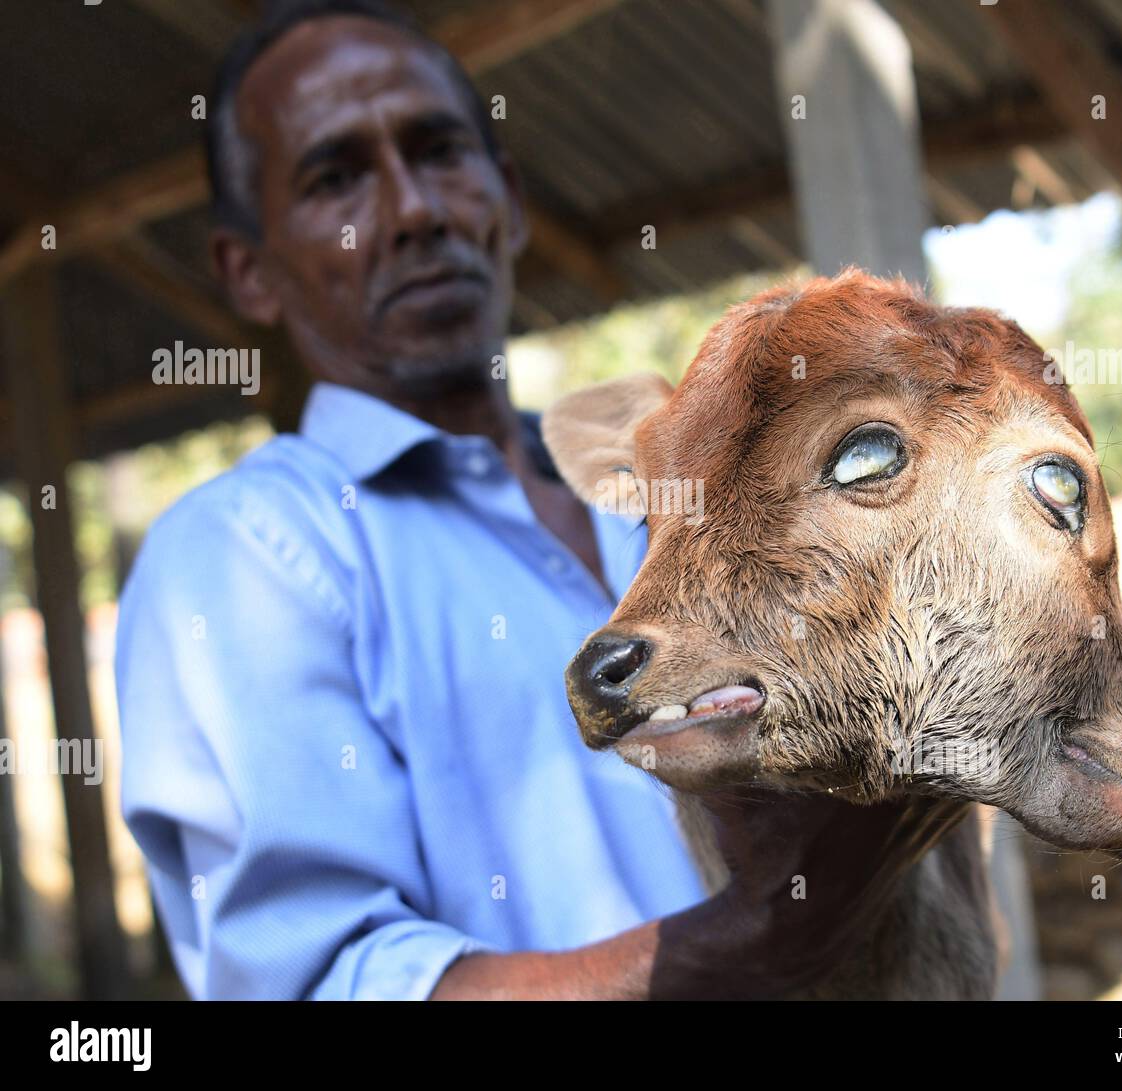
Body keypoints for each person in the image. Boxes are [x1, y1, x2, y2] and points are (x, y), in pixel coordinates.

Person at [116, 0, 916, 1000]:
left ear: (509, 196)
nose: (413, 209)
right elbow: (324, 979)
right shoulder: (242, 553)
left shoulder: (678, 485)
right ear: (247, 272)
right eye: (336, 177)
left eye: (439, 149)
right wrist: (752, 945)